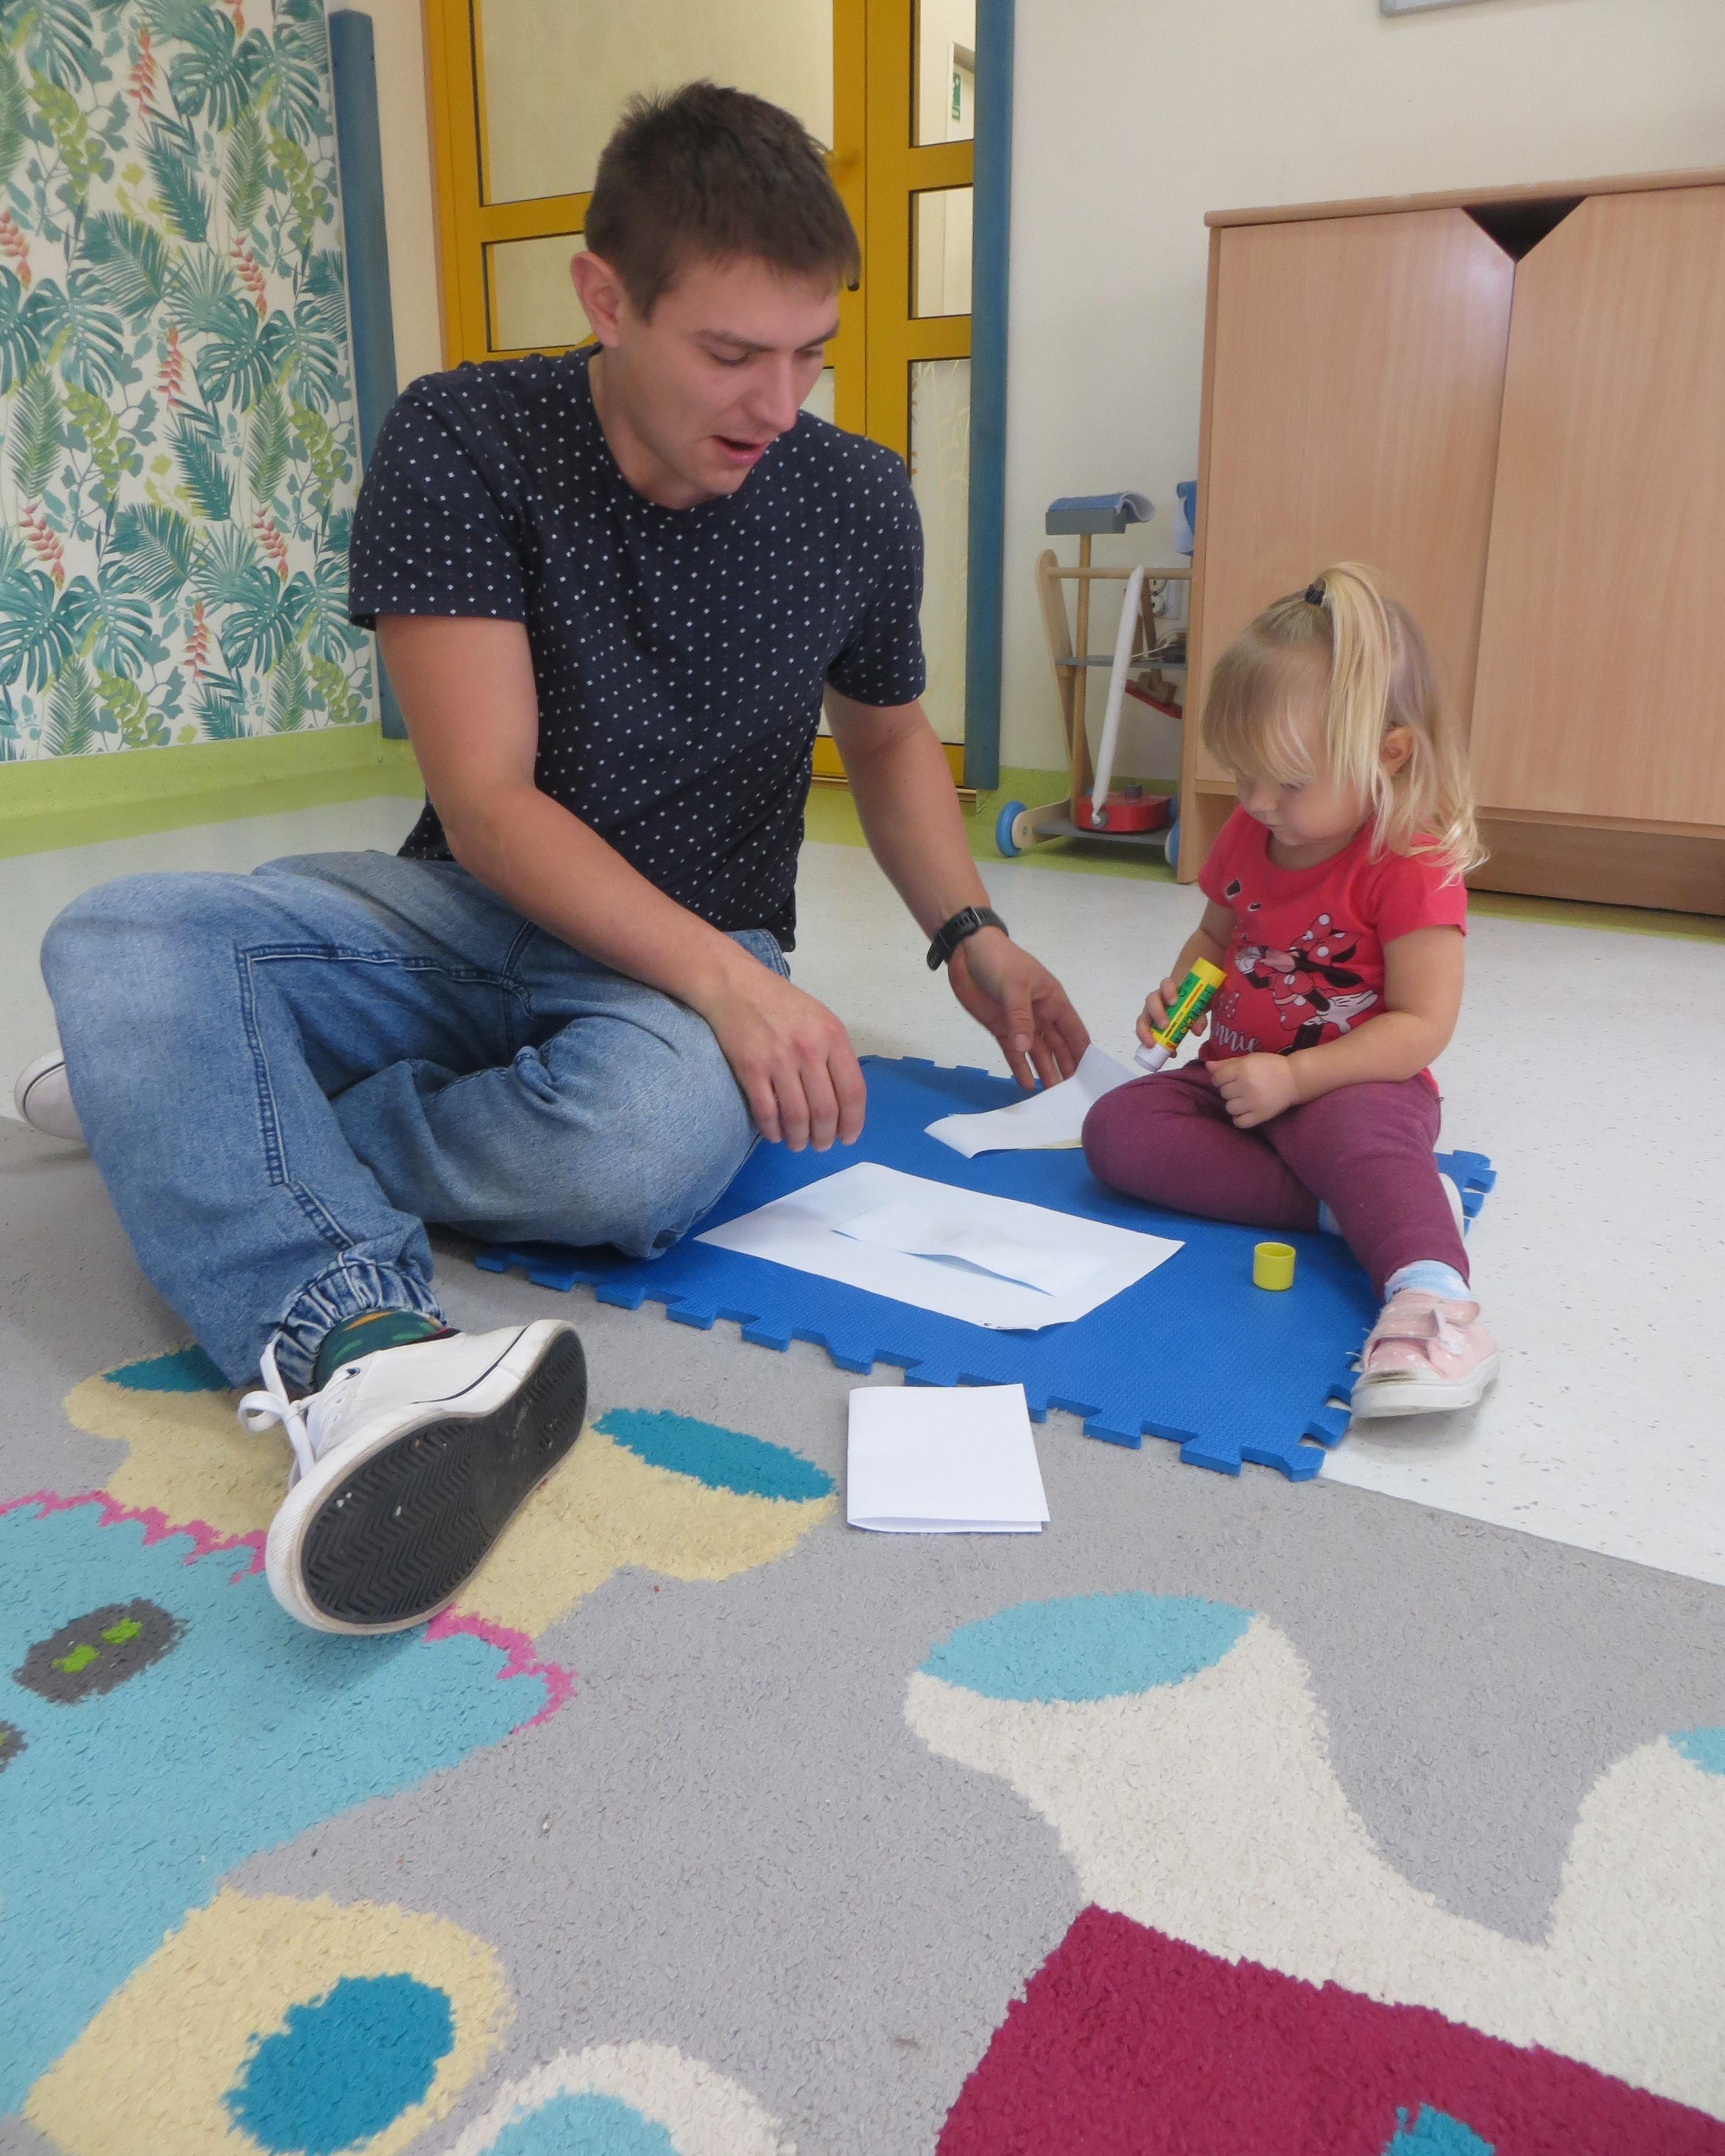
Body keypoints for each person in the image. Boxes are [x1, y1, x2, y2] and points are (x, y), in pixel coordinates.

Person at [19, 83, 1086, 1633]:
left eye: (810, 353)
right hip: (466, 910)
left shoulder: (856, 497)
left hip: (677, 973)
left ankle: (204, 1108)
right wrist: (735, 985)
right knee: (120, 939)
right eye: (732, 353)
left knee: (633, 1155)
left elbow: (888, 739)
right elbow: (490, 803)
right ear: (606, 298)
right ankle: (366, 1348)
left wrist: (969, 928)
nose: (778, 400)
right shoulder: (465, 437)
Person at [1082, 562, 1497, 1420]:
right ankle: (1354, 1207)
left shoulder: (1409, 861)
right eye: (1245, 775)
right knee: (1117, 1131)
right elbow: (1217, 937)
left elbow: (1423, 1025)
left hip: (1353, 1088)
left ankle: (1432, 1292)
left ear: (1388, 754)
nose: (1260, 803)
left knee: (1352, 1134)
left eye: (1291, 782)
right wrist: (1181, 997)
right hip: (1239, 1079)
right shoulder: (1249, 829)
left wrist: (1300, 1078)